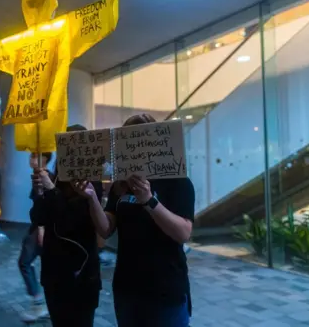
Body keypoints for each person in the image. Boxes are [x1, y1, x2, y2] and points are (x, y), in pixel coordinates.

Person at [88, 113, 195, 327]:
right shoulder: (121, 185)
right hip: (128, 290)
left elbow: (183, 233)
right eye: (129, 143)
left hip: (165, 292)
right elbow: (105, 228)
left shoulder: (177, 181)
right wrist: (91, 197)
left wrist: (149, 201)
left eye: (142, 142)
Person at [30, 124, 104, 327]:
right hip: (54, 273)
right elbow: (38, 218)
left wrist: (51, 190)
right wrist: (39, 192)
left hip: (82, 276)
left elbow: (72, 222)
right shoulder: (54, 178)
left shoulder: (91, 184)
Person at [19, 152, 52, 322]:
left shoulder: (45, 177)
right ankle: (41, 302)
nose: (30, 159)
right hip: (36, 227)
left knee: (25, 262)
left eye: (34, 156)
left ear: (44, 158)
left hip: (39, 228)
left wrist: (41, 228)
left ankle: (39, 303)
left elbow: (46, 206)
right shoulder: (38, 176)